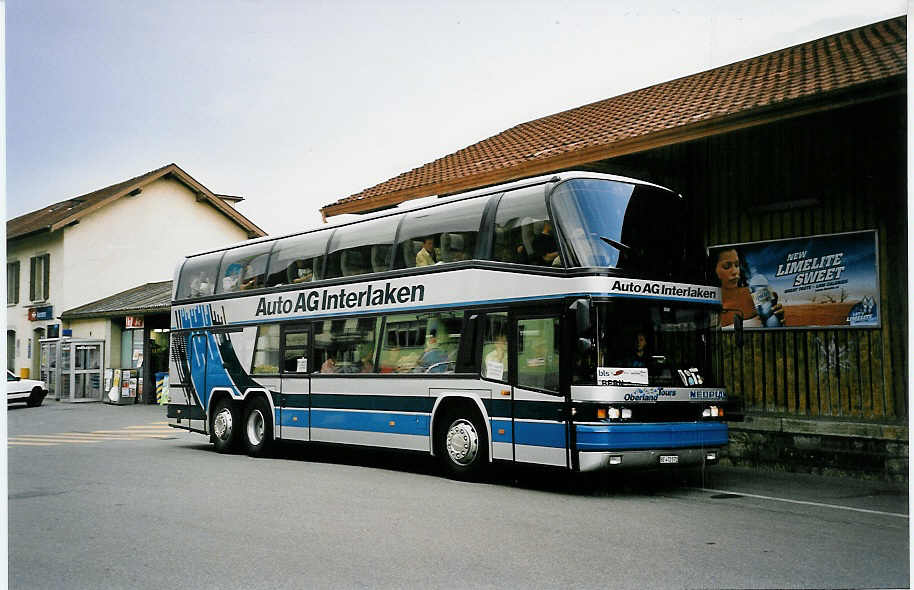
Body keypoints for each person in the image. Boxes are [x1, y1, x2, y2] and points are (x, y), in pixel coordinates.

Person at [714, 248, 783, 327]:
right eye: (727, 266)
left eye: (737, 265)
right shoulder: (707, 305)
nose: (734, 271)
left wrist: (776, 320)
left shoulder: (755, 292)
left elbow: (773, 321)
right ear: (713, 270)